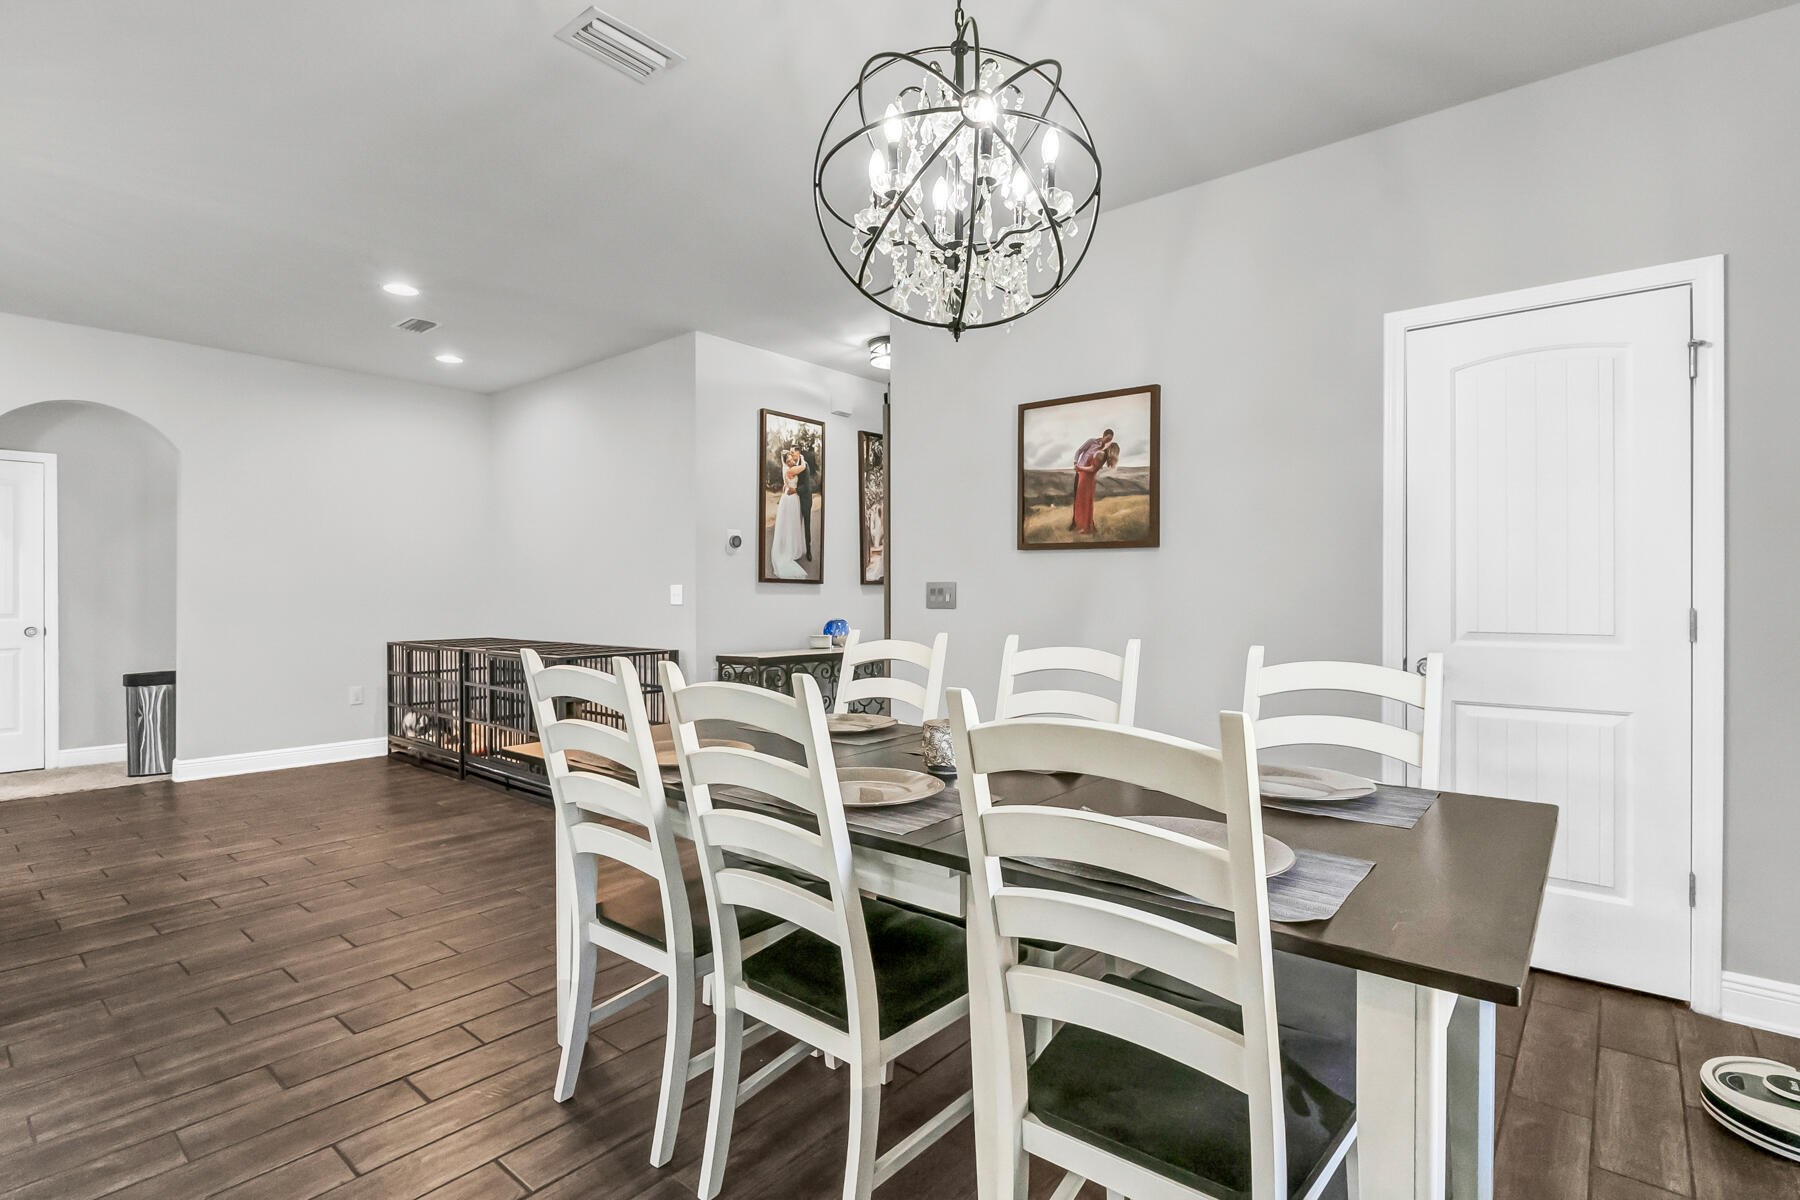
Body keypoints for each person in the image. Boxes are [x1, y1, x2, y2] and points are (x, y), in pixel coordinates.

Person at [769, 448, 808, 579]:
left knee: (791, 524)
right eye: (789, 460)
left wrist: (787, 487)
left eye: (792, 459)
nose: (791, 462)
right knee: (790, 524)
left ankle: (790, 547)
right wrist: (801, 457)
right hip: (791, 500)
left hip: (789, 497)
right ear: (785, 462)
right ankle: (788, 550)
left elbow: (786, 485)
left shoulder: (786, 469)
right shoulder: (790, 470)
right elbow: (802, 466)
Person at [1071, 441, 1120, 535]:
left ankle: (1084, 527)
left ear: (1110, 447)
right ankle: (1085, 526)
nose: (1107, 443)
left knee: (1082, 503)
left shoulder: (1101, 454)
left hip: (1085, 478)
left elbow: (1093, 469)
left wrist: (1080, 468)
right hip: (1088, 479)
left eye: (1110, 443)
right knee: (1086, 503)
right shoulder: (1103, 454)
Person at [796, 445, 818, 564]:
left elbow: (806, 486)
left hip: (805, 499)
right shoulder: (793, 465)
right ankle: (795, 549)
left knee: (807, 525)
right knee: (795, 524)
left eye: (793, 454)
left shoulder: (805, 466)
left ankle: (808, 550)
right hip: (795, 501)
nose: (792, 456)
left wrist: (795, 490)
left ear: (798, 453)